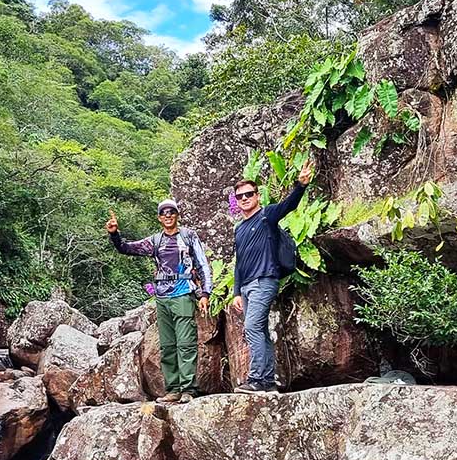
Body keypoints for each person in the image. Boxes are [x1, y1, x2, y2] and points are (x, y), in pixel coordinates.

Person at [105, 200, 213, 404]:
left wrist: (205, 293)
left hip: (183, 294)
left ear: (177, 215)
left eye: (172, 212)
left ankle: (188, 388)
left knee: (186, 342)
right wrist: (115, 235)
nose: (168, 215)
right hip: (162, 297)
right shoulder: (155, 241)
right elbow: (128, 248)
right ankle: (173, 389)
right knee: (168, 345)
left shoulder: (188, 237)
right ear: (159, 217)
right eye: (164, 213)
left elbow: (202, 264)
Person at [229, 160, 314, 394]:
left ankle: (256, 379)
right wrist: (236, 291)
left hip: (264, 280)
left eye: (249, 194)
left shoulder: (267, 216)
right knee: (260, 331)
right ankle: (266, 381)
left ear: (257, 195)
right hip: (246, 287)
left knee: (252, 327)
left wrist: (300, 185)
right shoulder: (239, 229)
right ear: (237, 201)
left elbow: (289, 205)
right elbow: (240, 261)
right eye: (240, 196)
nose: (245, 198)